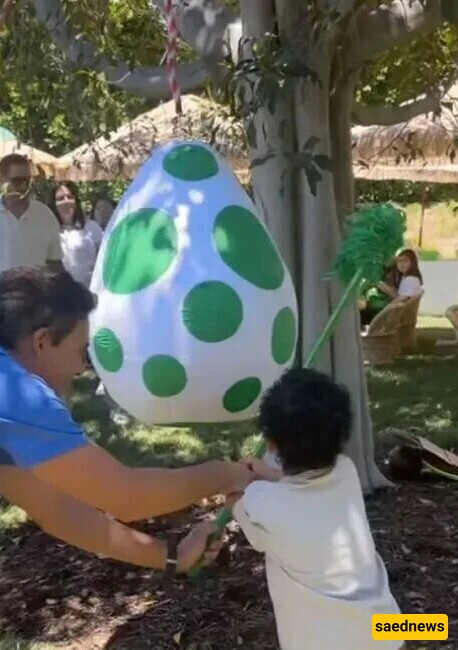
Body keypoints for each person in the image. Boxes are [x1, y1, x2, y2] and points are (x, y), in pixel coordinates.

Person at [0, 266, 254, 575]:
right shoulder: (16, 394)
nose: (81, 369)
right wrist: (230, 474)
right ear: (41, 342)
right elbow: (128, 497)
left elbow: (55, 510)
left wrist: (171, 557)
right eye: (81, 352)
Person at [228, 368, 403, 650]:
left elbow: (238, 503)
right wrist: (263, 472)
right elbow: (297, 489)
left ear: (271, 443)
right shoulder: (346, 471)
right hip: (383, 632)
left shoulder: (261, 504)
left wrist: (236, 485)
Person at [0, 154, 63, 273]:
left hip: (35, 290)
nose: (24, 186)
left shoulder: (44, 215)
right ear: (2, 180)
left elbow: (55, 263)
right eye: (17, 181)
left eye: (27, 181)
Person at [49, 182, 103, 287]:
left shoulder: (92, 227)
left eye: (70, 197)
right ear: (53, 204)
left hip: (90, 292)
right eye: (60, 199)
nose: (66, 201)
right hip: (59, 294)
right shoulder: (48, 231)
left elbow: (103, 259)